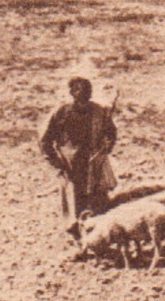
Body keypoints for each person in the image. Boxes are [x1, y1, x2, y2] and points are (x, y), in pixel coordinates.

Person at [40, 76, 118, 218]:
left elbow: (111, 132)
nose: (86, 93)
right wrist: (57, 162)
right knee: (74, 201)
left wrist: (107, 145)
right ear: (72, 92)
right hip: (71, 165)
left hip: (95, 163)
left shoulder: (99, 111)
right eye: (80, 90)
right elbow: (45, 140)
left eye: (88, 90)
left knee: (100, 202)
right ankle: (76, 232)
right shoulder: (61, 112)